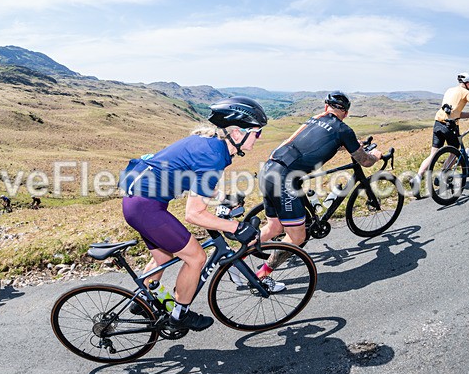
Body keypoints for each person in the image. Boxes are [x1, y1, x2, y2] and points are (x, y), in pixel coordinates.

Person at [120, 97, 267, 332]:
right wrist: (236, 228)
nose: (259, 138)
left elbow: (197, 181)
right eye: (257, 133)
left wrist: (223, 199)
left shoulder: (209, 143)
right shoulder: (214, 155)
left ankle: (144, 301)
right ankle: (179, 316)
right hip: (146, 207)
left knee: (164, 257)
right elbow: (194, 214)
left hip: (136, 202)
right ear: (238, 134)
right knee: (196, 258)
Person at [259, 91, 383, 250]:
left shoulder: (316, 118)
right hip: (284, 179)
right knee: (297, 238)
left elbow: (317, 142)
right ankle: (262, 274)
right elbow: (365, 161)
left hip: (269, 168)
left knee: (274, 228)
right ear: (345, 114)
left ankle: (237, 257)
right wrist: (375, 156)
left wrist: (349, 144)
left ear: (326, 107)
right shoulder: (343, 130)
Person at [412, 73, 469, 196]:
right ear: (467, 84)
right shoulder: (466, 93)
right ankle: (442, 175)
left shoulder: (449, 90)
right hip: (449, 127)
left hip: (438, 123)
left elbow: (456, 112)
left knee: (433, 155)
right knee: (455, 151)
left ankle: (417, 178)